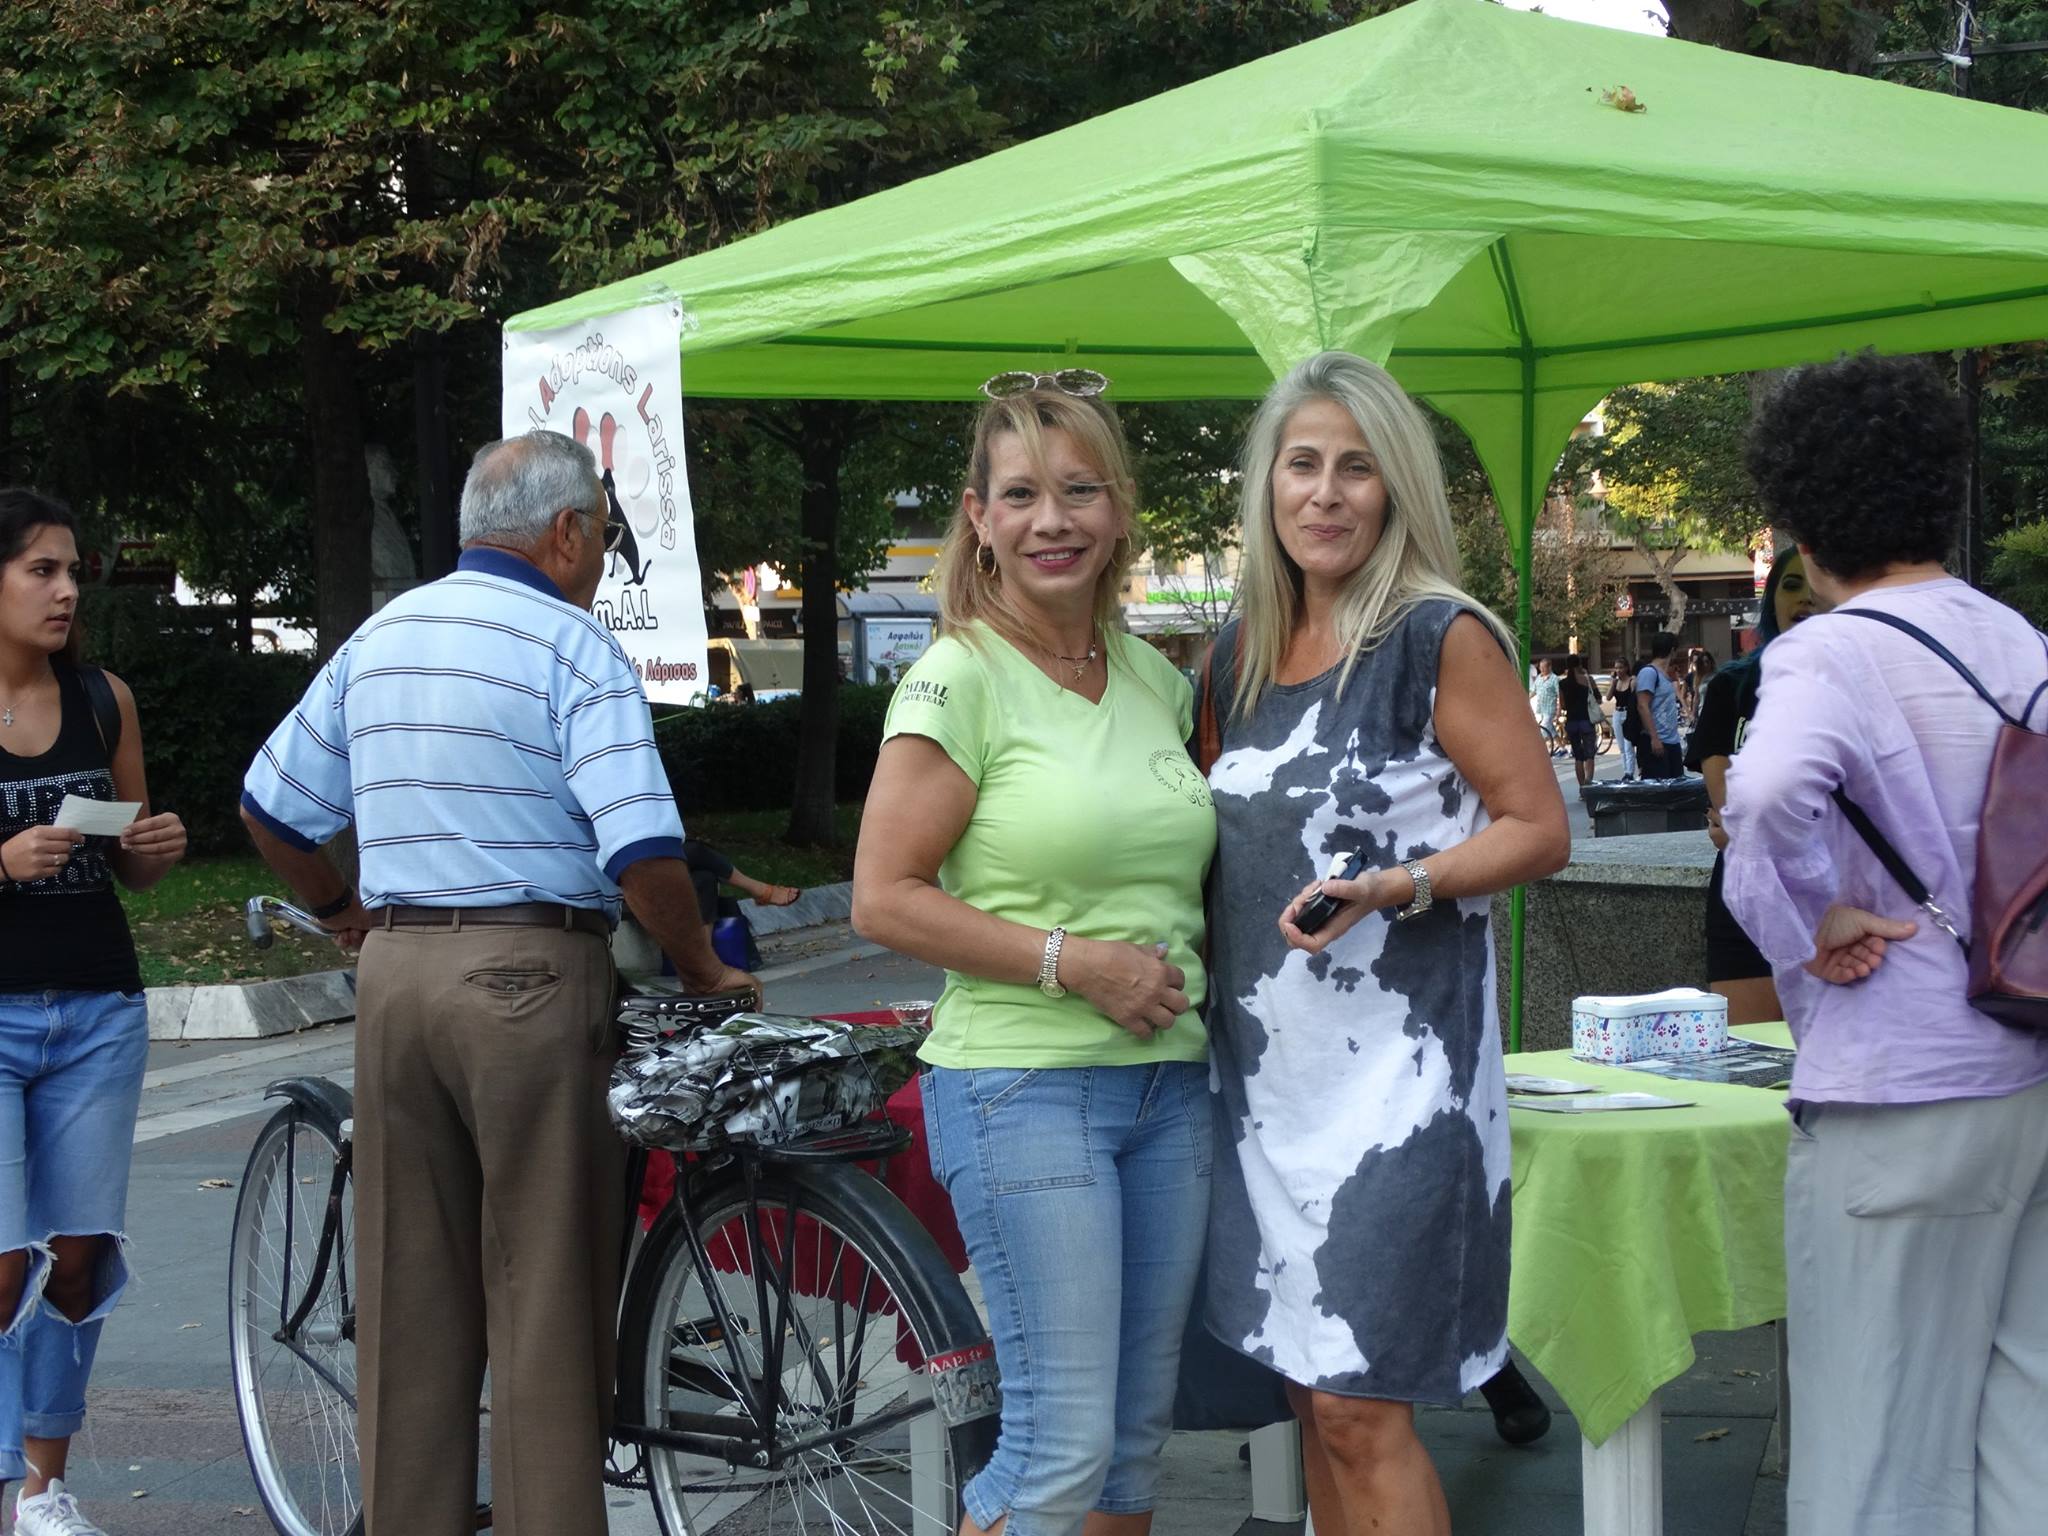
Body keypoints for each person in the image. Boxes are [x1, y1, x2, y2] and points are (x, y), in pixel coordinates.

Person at [240, 433, 756, 1536]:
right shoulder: (572, 647)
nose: (602, 560)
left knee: (409, 1299)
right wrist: (705, 966)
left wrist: (339, 911)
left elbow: (271, 807)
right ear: (565, 532)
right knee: (546, 1294)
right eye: (603, 536)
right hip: (529, 975)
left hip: (395, 979)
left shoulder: (383, 636)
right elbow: (641, 851)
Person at [1199, 351, 1569, 1536]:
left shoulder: (1436, 637)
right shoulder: (1234, 654)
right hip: (1262, 1092)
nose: (1324, 493)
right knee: (1311, 1401)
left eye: (1355, 468)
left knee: (1361, 1410)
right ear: (1265, 485)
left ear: (1395, 487)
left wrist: (1398, 883)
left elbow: (1537, 828)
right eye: (1300, 464)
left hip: (1399, 1094)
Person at [851, 371, 1215, 1536]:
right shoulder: (958, 677)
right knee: (1056, 1450)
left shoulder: (1157, 681)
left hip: (1169, 1089)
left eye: (1077, 491)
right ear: (978, 518)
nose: (1049, 520)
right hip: (1022, 1088)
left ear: (1119, 510)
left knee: (1128, 1449)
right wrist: (1077, 963)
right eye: (1019, 495)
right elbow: (881, 899)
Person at [1722, 353, 2048, 1536]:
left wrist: (1810, 918)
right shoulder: (2017, 640)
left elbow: (1764, 795)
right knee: (2023, 1425)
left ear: (1801, 526)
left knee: (1869, 1439)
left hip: (1895, 1082)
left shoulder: (1828, 650)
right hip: (2027, 1063)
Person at [1, 488, 187, 1536]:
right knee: (2, 1264)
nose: (67, 590)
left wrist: (151, 850)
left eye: (73, 571)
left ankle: (45, 1488)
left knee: (77, 1259)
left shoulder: (103, 698)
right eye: (42, 570)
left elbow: (133, 862)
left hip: (99, 1013)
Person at [1686, 551, 1819, 1024]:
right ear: (1771, 601)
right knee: (1755, 1051)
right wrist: (1745, 829)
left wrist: (1751, 829)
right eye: (1791, 585)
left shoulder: (1859, 684)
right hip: (1749, 896)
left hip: (1839, 898)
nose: (1804, 598)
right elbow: (1730, 810)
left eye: (1816, 584)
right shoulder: (1733, 686)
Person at [1632, 632, 1685, 779]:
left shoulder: (1665, 675)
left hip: (1672, 741)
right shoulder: (1649, 672)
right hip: (1657, 741)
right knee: (1658, 789)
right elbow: (1642, 705)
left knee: (1676, 787)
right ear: (1672, 650)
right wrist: (1654, 738)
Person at [1559, 654, 1599, 789]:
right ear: (1580, 664)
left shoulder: (1562, 683)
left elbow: (1563, 705)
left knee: (1578, 756)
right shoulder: (1588, 680)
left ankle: (1582, 787)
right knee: (1590, 754)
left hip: (1572, 723)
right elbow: (1598, 698)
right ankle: (1589, 783)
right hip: (1586, 721)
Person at [1609, 654, 1639, 780]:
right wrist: (1613, 682)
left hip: (1628, 713)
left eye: (1621, 667)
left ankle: (1630, 772)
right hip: (1617, 713)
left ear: (1626, 668)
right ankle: (1625, 771)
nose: (1618, 670)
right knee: (1621, 747)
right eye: (1616, 668)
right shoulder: (1616, 682)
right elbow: (1608, 697)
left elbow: (1635, 698)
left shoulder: (1632, 681)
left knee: (1628, 745)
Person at [1529, 655, 1561, 757]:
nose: (1541, 670)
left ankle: (1538, 750)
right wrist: (1526, 699)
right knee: (1552, 730)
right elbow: (1534, 691)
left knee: (1543, 729)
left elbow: (1559, 694)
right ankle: (1563, 748)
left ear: (1549, 667)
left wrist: (1559, 709)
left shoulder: (1554, 679)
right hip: (1541, 708)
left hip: (1550, 708)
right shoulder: (1539, 678)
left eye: (1544, 668)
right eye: (1540, 668)